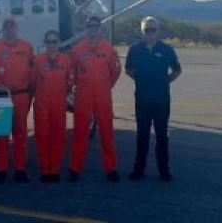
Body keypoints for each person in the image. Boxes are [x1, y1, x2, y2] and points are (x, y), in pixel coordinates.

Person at [125, 16, 182, 182]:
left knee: (162, 136)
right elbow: (128, 70)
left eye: (152, 30)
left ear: (158, 32)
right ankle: (139, 169)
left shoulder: (166, 49)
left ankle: (163, 170)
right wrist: (142, 80)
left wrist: (164, 81)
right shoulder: (135, 49)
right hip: (142, 100)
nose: (149, 33)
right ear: (141, 31)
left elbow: (177, 70)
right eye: (146, 30)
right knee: (142, 136)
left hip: (161, 100)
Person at [68, 16, 122, 183]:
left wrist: (105, 86)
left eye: (95, 26)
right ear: (86, 29)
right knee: (80, 132)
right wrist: (80, 86)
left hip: (103, 95)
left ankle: (111, 168)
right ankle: (75, 168)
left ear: (100, 29)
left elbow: (115, 72)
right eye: (89, 26)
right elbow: (71, 74)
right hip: (83, 95)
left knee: (106, 131)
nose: (92, 29)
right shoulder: (77, 50)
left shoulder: (109, 49)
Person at [0, 15, 35, 184]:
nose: (9, 28)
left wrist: (31, 93)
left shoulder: (27, 47)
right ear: (3, 29)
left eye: (12, 26)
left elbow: (33, 70)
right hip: (1, 98)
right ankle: (1, 171)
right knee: (2, 134)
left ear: (16, 28)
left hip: (21, 96)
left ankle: (20, 170)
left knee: (20, 134)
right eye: (7, 26)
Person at [33, 29, 73, 183]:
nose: (52, 45)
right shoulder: (38, 60)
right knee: (42, 137)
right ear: (45, 43)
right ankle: (44, 169)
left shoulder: (66, 60)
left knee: (58, 137)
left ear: (59, 43)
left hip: (58, 104)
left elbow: (71, 80)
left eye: (54, 42)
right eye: (49, 42)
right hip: (42, 105)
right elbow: (32, 81)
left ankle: (54, 169)